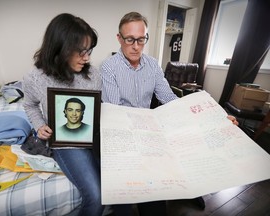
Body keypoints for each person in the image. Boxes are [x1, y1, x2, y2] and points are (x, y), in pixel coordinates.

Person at [100, 11, 239, 216]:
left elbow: (170, 99)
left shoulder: (153, 66)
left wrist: (216, 119)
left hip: (147, 130)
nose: (136, 46)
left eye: (141, 39)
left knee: (188, 140)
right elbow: (114, 112)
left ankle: (189, 188)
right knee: (136, 202)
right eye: (129, 40)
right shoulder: (108, 68)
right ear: (119, 38)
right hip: (124, 135)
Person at [23, 13, 104, 216]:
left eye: (89, 50)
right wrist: (39, 125)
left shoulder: (93, 75)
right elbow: (30, 105)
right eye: (80, 51)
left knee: (117, 184)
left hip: (93, 138)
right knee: (96, 196)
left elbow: (96, 107)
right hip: (65, 143)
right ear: (61, 48)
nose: (87, 58)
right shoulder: (35, 78)